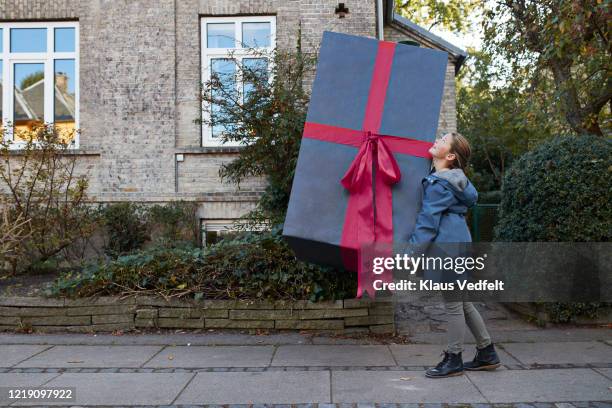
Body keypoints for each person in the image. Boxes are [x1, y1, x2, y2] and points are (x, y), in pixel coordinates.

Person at [407, 131, 501, 379]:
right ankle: (487, 353)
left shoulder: (440, 184)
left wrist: (411, 253)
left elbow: (427, 222)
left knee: (452, 305)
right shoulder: (452, 180)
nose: (436, 140)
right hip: (458, 241)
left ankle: (454, 358)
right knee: (462, 302)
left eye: (442, 140)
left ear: (449, 155)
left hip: (448, 246)